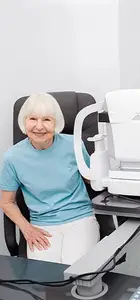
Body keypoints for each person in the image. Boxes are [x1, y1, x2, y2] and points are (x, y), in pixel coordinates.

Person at [0, 93, 100, 265]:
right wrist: (27, 229)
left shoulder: (73, 145)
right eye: (33, 119)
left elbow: (91, 179)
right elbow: (6, 202)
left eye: (46, 119)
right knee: (46, 278)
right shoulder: (13, 157)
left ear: (57, 123)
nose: (39, 127)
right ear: (24, 122)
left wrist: (105, 165)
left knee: (76, 272)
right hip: (42, 224)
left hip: (79, 218)